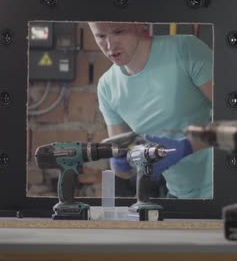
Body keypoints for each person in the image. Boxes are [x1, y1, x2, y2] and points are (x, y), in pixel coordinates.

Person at [89, 21, 213, 199]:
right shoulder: (107, 86)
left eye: (118, 32)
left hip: (224, 190)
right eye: (100, 36)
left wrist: (187, 147)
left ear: (139, 25)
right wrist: (119, 161)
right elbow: (123, 171)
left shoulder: (185, 49)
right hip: (180, 195)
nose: (110, 46)